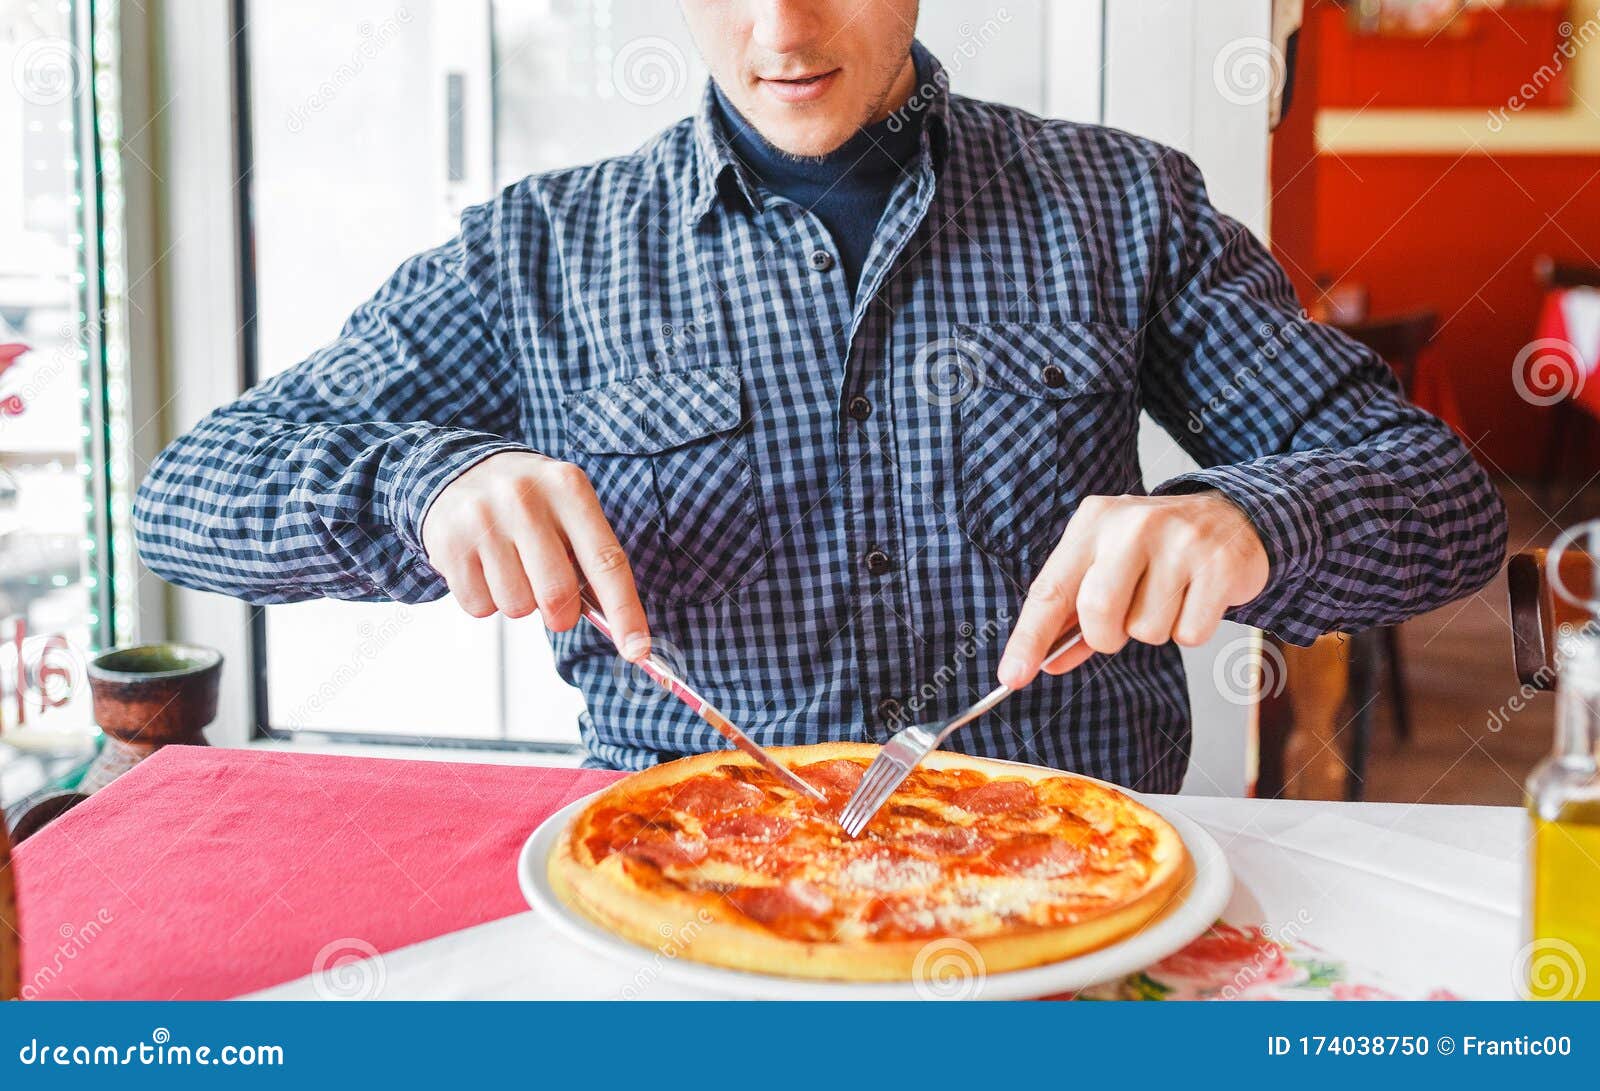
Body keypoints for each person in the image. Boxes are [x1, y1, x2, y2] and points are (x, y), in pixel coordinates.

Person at [134, 1, 1506, 790]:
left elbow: (1445, 502)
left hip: (1070, 901)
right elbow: (183, 502)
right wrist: (421, 486)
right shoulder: (540, 250)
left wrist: (1247, 522)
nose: (782, 28)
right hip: (689, 899)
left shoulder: (1119, 204)